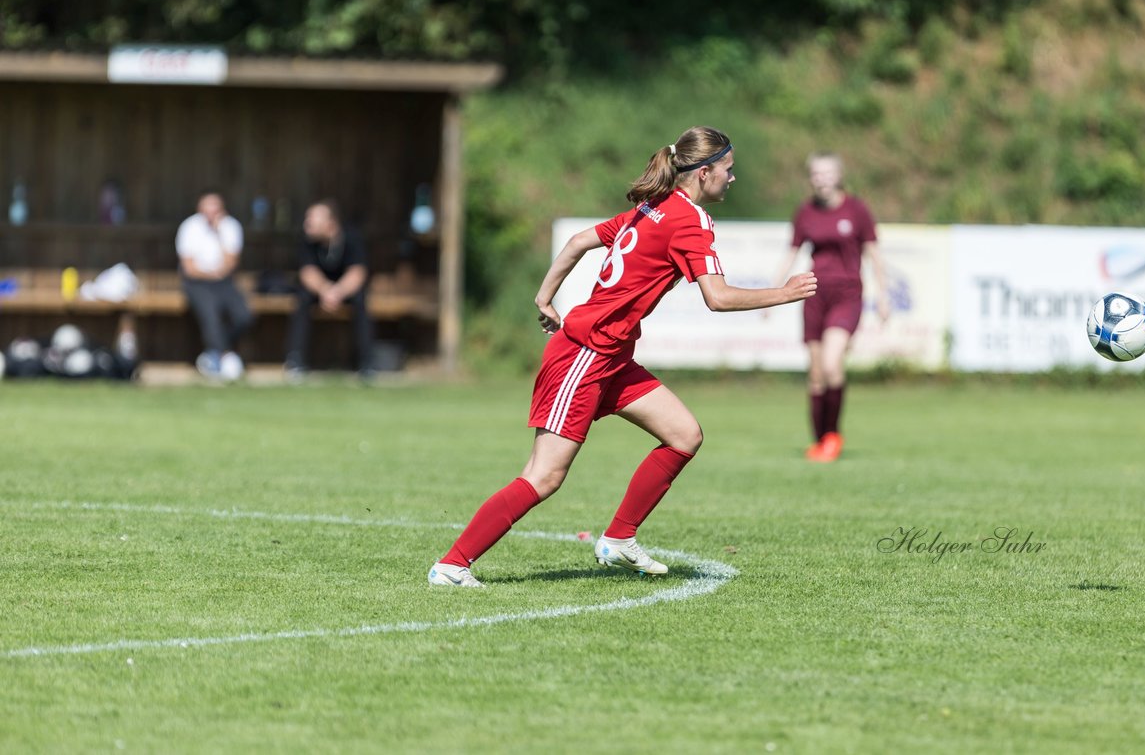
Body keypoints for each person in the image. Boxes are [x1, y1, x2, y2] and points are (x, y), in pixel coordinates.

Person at [428, 126, 818, 588]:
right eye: (728, 171)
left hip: (609, 355)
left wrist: (545, 298)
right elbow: (717, 297)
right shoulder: (688, 220)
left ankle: (618, 540)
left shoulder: (651, 209)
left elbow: (577, 242)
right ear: (705, 171)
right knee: (545, 475)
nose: (733, 179)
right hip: (586, 354)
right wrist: (785, 294)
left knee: (683, 435)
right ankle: (453, 565)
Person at [775, 152, 889, 463]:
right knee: (815, 375)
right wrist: (774, 292)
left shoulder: (856, 210)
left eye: (827, 173)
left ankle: (832, 436)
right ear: (810, 177)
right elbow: (791, 252)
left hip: (847, 295)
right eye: (816, 173)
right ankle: (820, 441)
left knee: (831, 363)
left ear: (838, 176)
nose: (821, 179)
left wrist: (884, 295)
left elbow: (874, 253)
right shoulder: (805, 212)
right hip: (813, 295)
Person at [285, 199, 373, 379]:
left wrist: (338, 291)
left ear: (330, 223)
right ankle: (295, 361)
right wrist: (326, 290)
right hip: (318, 288)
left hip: (345, 288)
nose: (307, 223)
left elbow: (357, 272)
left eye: (312, 219)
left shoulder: (351, 237)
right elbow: (307, 272)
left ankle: (366, 363)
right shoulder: (306, 239)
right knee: (302, 299)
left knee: (361, 301)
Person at [175, 192, 253, 380]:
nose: (211, 213)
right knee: (211, 314)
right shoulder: (190, 227)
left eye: (215, 208)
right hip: (197, 282)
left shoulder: (230, 226)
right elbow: (189, 267)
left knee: (245, 316)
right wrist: (210, 273)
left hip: (224, 281)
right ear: (200, 209)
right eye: (207, 208)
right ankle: (224, 358)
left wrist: (219, 234)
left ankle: (215, 354)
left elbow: (231, 261)